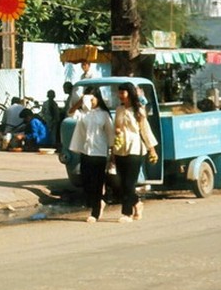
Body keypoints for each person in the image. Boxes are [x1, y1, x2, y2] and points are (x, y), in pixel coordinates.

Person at [112, 81, 159, 222]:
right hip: (120, 149)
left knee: (129, 183)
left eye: (123, 93)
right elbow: (116, 128)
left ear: (129, 93)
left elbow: (145, 130)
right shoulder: (119, 110)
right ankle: (137, 203)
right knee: (121, 182)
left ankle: (126, 213)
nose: (120, 95)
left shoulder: (139, 110)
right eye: (119, 93)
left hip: (135, 148)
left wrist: (152, 150)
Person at [68, 86, 114, 222]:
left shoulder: (104, 114)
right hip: (86, 151)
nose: (91, 102)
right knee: (87, 181)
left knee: (97, 183)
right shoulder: (83, 113)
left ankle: (95, 211)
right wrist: (80, 102)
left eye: (92, 99)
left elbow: (110, 134)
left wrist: (112, 153)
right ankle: (98, 202)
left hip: (99, 152)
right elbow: (71, 113)